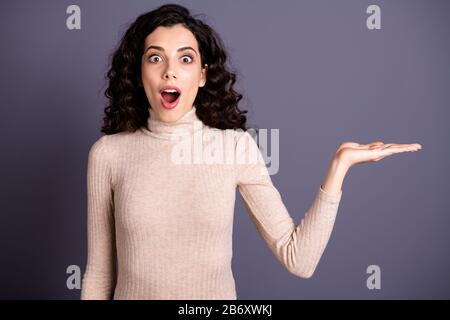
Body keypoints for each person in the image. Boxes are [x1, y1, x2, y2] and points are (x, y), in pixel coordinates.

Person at [80, 3, 422, 300]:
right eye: (155, 58)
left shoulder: (235, 148)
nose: (169, 70)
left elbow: (298, 259)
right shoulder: (108, 154)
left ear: (201, 76)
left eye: (185, 59)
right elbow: (98, 274)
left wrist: (339, 166)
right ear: (140, 73)